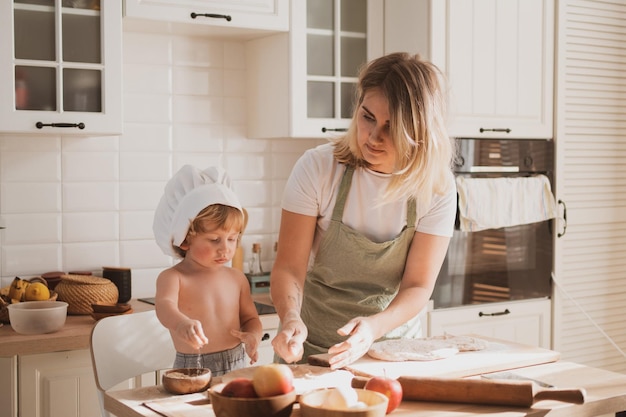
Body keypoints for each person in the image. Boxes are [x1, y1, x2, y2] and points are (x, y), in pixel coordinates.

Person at [270, 52, 457, 370]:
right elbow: (289, 267)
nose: (373, 137)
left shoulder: (436, 188)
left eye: (390, 127)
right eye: (367, 117)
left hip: (394, 353)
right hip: (312, 349)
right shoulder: (319, 168)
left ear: (418, 132)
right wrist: (290, 319)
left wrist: (374, 328)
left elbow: (418, 286)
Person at [152, 165, 262, 377]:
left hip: (236, 360)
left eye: (232, 239)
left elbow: (250, 319)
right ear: (184, 240)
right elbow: (164, 308)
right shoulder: (174, 278)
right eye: (214, 240)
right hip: (193, 366)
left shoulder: (237, 278)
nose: (225, 248)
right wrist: (181, 323)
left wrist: (253, 336)